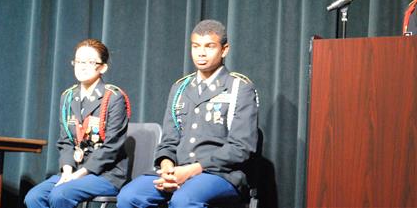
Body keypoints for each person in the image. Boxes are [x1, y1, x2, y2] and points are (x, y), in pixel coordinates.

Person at [117, 19, 259, 208]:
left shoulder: (239, 88)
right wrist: (167, 168)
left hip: (219, 174)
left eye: (209, 46)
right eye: (196, 46)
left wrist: (192, 170)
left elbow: (241, 147)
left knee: (184, 199)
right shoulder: (180, 88)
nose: (201, 53)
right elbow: (168, 141)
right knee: (129, 196)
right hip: (177, 170)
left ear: (224, 50)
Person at [25, 39, 131, 208]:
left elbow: (111, 147)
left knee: (61, 195)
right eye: (79, 61)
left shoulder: (113, 97)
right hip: (73, 170)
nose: (82, 66)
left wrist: (79, 174)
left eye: (90, 62)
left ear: (103, 67)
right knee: (34, 197)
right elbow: (66, 141)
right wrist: (68, 171)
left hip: (105, 174)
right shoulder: (67, 97)